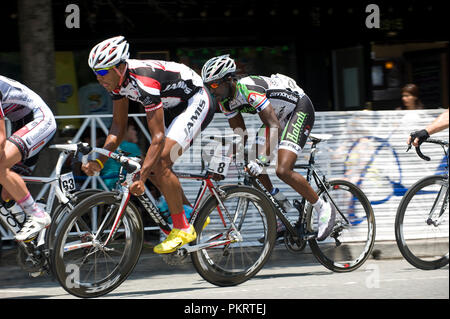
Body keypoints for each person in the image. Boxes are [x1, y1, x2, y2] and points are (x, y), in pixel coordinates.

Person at [82, 36, 216, 253]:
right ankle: (189, 213)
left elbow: (157, 137)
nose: (99, 78)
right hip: (174, 103)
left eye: (103, 72)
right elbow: (117, 128)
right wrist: (99, 159)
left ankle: (182, 228)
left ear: (119, 68)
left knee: (159, 163)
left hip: (195, 100)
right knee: (151, 165)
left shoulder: (144, 82)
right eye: (96, 73)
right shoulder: (116, 84)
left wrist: (140, 178)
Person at [201, 55, 335, 241]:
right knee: (251, 165)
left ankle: (322, 207)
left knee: (282, 170)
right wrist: (224, 159)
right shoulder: (225, 102)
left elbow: (274, 126)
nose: (211, 90)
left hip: (298, 109)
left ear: (229, 79)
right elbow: (241, 135)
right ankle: (280, 211)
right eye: (208, 86)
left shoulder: (247, 89)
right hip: (276, 117)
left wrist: (262, 159)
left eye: (214, 85)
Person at [0, 75, 57, 241]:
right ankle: (35, 245)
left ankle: (37, 214)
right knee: (6, 194)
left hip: (41, 120)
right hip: (22, 124)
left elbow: (1, 139)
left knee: (0, 166)